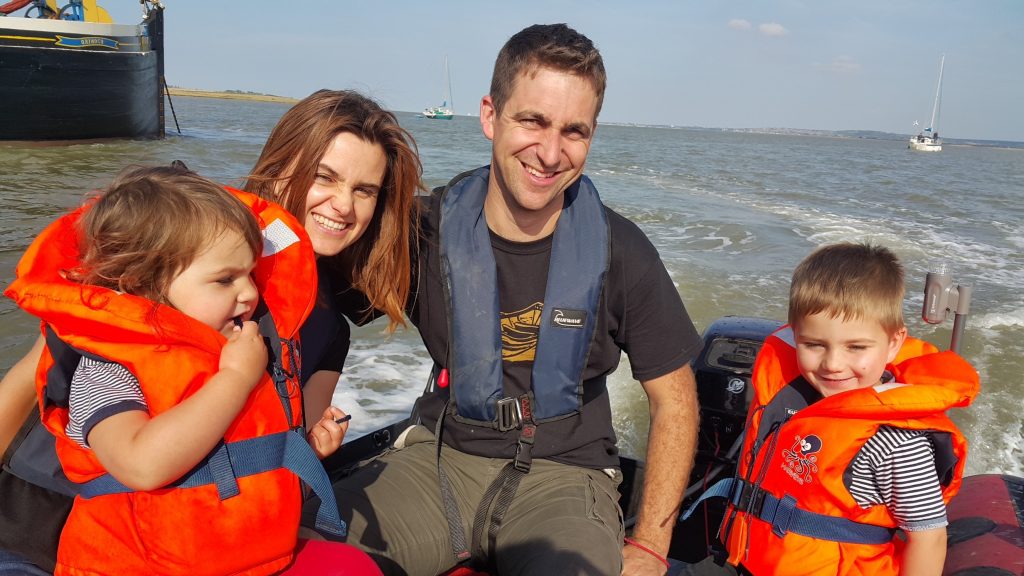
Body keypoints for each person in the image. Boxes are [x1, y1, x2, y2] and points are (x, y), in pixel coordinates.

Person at [309, 23, 703, 576]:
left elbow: (676, 400)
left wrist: (652, 545)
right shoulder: (423, 232)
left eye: (574, 131)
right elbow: (318, 285)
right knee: (304, 550)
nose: (550, 152)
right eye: (532, 121)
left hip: (566, 480)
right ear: (490, 116)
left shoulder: (622, 250)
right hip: (440, 461)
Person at [0, 90, 422, 573]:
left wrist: (308, 449)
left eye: (365, 190)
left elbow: (272, 450)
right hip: (39, 524)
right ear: (282, 165)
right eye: (325, 177)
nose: (343, 206)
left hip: (191, 543)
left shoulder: (328, 328)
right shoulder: (170, 249)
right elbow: (36, 373)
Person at [695, 243, 979, 576]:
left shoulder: (896, 442)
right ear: (795, 334)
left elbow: (928, 538)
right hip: (746, 558)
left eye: (856, 347)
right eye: (814, 345)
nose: (832, 364)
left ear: (894, 343)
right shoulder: (791, 395)